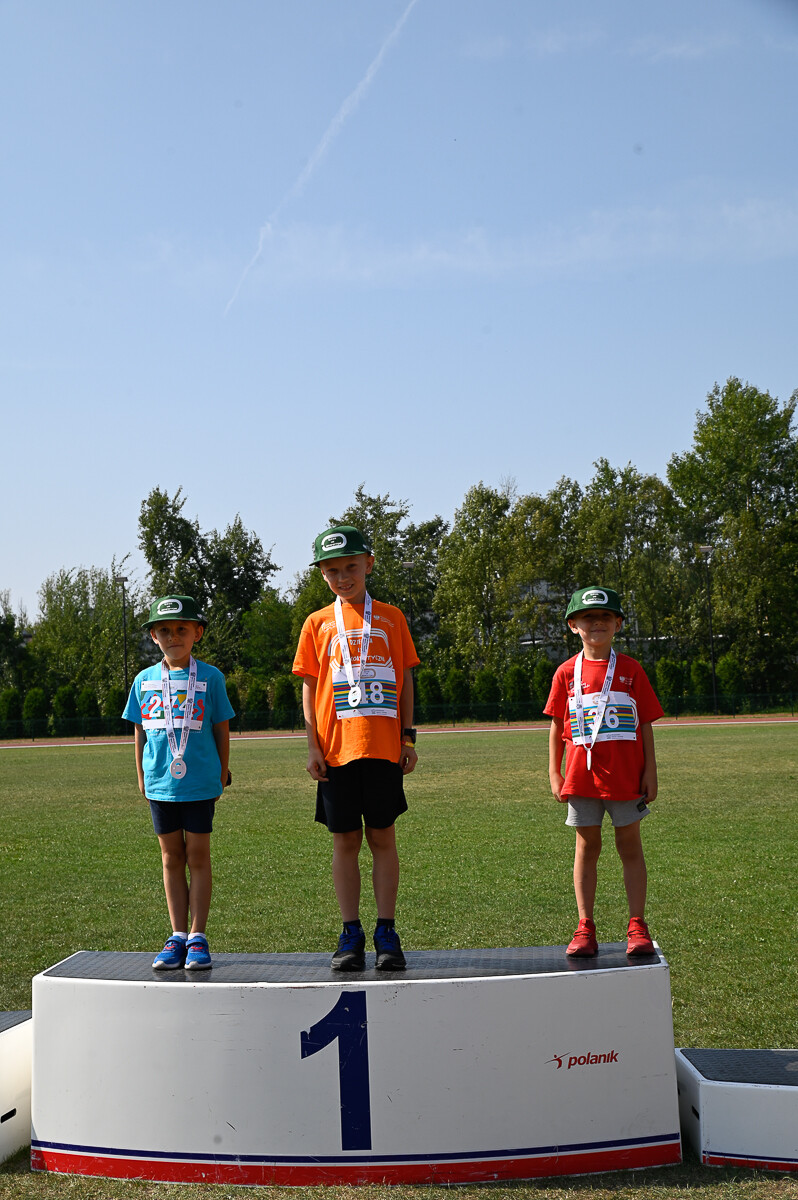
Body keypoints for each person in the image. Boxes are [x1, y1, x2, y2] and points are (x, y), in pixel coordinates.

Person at [293, 525, 419, 972]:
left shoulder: (391, 617)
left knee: (383, 837)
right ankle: (351, 933)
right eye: (332, 570)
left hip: (383, 748)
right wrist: (312, 746)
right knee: (344, 840)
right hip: (336, 751)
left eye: (351, 567)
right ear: (322, 574)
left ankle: (386, 931)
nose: (342, 577)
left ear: (369, 563)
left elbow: (405, 679)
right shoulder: (316, 622)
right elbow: (310, 687)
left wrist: (408, 736)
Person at [545, 586, 663, 958]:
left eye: (605, 617)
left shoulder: (631, 669)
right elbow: (556, 725)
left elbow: (645, 724)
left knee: (630, 846)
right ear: (573, 625)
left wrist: (651, 771)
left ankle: (637, 925)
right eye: (588, 617)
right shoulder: (566, 672)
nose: (597, 623)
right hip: (581, 777)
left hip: (627, 775)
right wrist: (554, 772)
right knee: (586, 847)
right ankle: (585, 926)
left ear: (618, 624)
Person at [123, 595, 234, 971]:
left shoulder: (211, 677)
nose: (173, 637)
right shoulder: (144, 680)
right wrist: (141, 776)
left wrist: (222, 773)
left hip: (199, 783)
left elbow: (221, 728)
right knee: (171, 858)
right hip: (160, 784)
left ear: (197, 633)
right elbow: (139, 730)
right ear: (154, 636)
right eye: (165, 630)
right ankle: (177, 936)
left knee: (198, 856)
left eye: (182, 629)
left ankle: (198, 936)